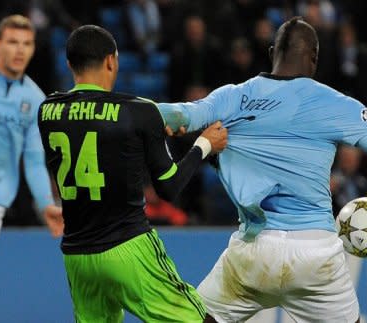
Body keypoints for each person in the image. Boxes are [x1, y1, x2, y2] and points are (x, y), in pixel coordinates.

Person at [159, 17, 367, 323]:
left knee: (196, 318)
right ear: (315, 59)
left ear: (272, 51)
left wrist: (113, 108)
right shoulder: (341, 105)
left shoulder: (232, 97)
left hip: (253, 252)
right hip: (315, 254)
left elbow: (174, 116)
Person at [37, 25, 227, 322]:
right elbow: (169, 188)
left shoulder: (47, 110)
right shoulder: (139, 111)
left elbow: (93, 127)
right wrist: (204, 145)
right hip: (129, 248)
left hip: (78, 257)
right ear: (112, 61)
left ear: (69, 64)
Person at [0, 14, 62, 253]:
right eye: (12, 42)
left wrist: (46, 204)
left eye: (26, 43)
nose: (20, 50)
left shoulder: (35, 100)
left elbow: (33, 161)